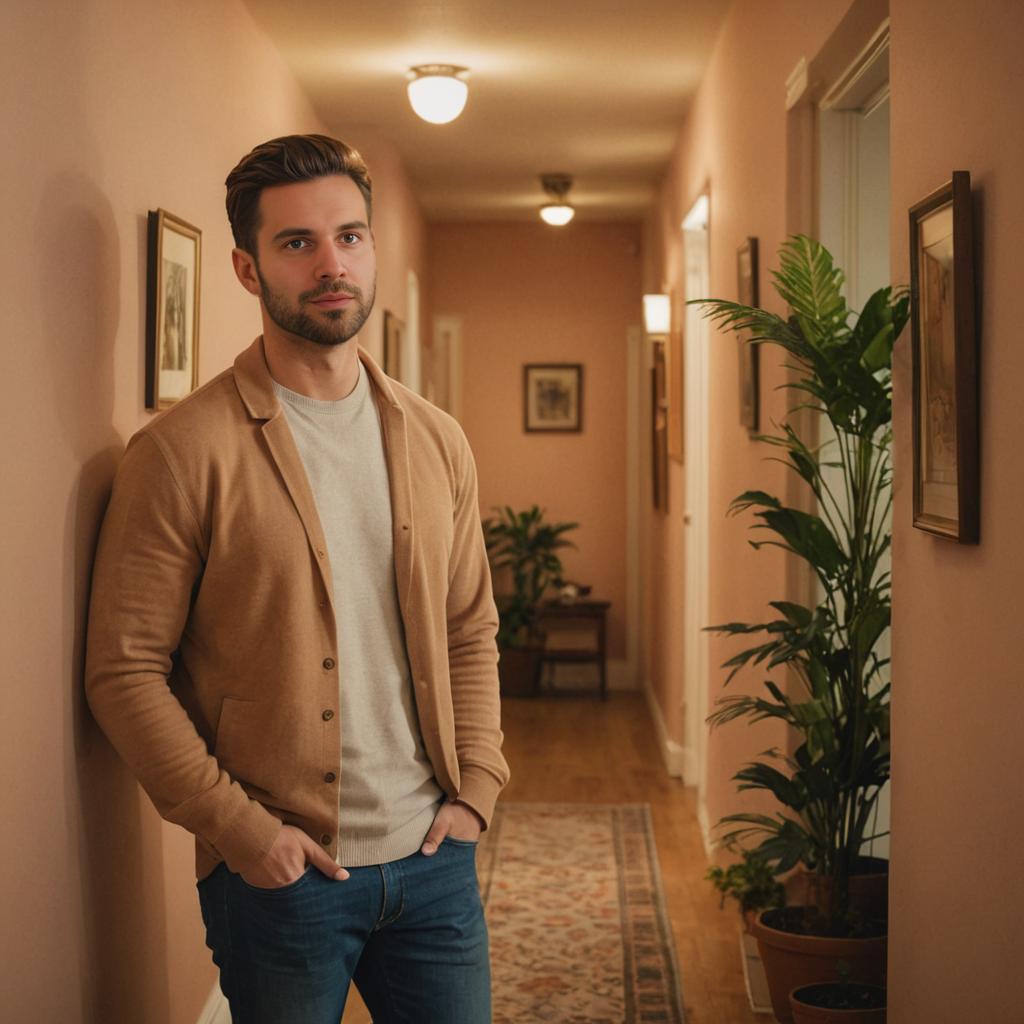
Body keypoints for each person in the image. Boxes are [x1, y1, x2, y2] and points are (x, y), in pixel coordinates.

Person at [85, 134, 508, 1024]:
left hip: (435, 863)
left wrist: (477, 788)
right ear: (246, 268)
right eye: (297, 243)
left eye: (350, 237)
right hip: (283, 881)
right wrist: (242, 835)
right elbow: (123, 671)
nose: (331, 264)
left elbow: (469, 627)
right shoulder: (180, 453)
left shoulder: (438, 440)